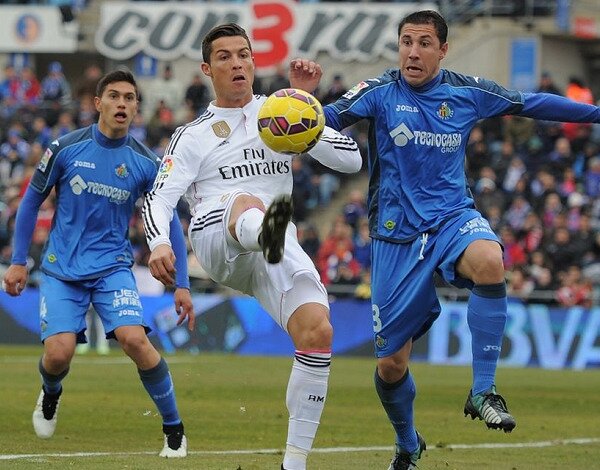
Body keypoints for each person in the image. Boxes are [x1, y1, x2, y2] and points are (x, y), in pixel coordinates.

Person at [296, 9, 600, 469]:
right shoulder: (379, 93)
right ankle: (407, 441)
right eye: (405, 42)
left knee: (490, 260)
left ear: (442, 49)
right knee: (391, 366)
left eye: (422, 43)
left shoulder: (467, 92)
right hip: (395, 237)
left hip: (451, 219)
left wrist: (597, 115)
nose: (412, 52)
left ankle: (483, 391)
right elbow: (327, 120)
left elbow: (531, 103)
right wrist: (303, 101)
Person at [141, 23, 362, 470]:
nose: (237, 63)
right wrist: (159, 243)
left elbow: (352, 159)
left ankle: (294, 462)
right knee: (246, 202)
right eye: (224, 57)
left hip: (272, 244)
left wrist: (305, 110)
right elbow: (159, 198)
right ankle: (270, 234)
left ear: (254, 62)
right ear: (207, 68)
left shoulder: (278, 112)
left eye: (244, 54)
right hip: (216, 236)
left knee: (317, 331)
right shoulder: (193, 135)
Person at [2, 69, 194, 458]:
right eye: (114, 96)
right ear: (98, 103)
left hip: (112, 269)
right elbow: (30, 203)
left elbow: (170, 220)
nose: (122, 104)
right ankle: (51, 392)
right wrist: (18, 261)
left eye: (129, 98)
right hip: (61, 269)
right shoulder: (64, 149)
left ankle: (174, 430)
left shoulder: (145, 163)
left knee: (135, 340)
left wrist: (183, 283)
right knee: (58, 355)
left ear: (136, 107)